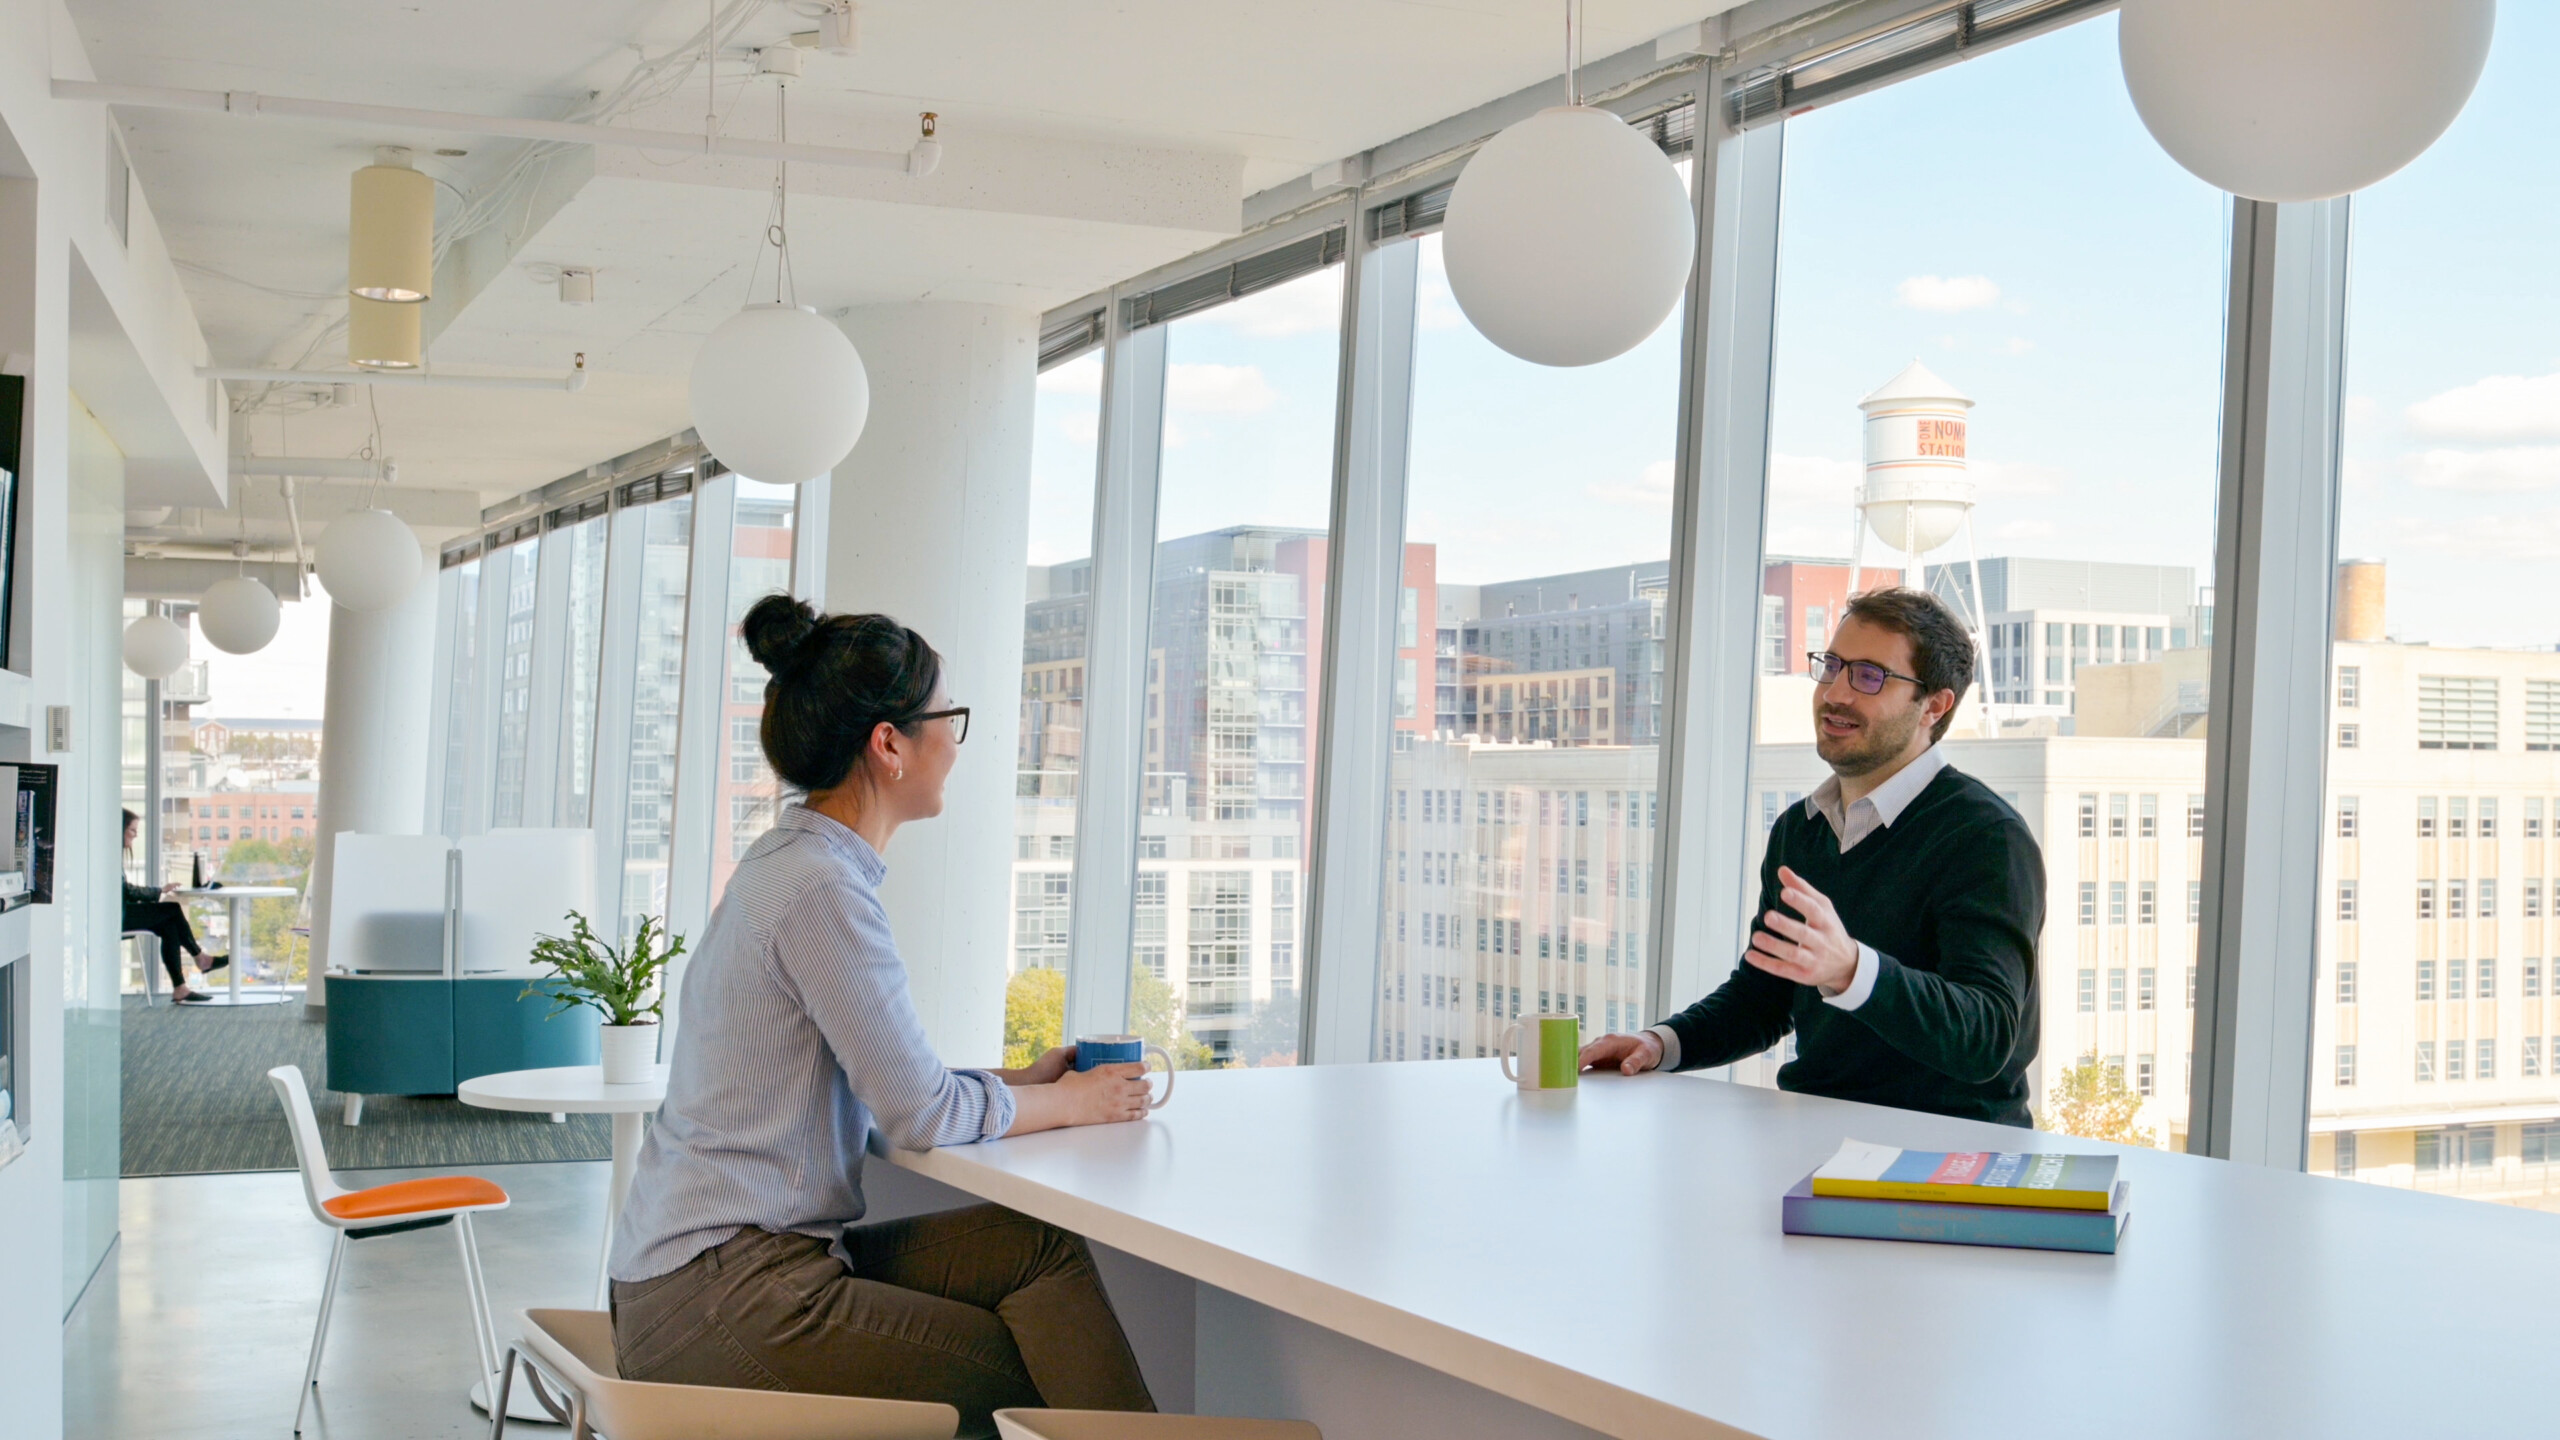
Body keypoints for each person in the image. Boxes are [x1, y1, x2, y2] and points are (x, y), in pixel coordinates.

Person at [608, 595, 1157, 1438]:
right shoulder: (822, 889)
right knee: (1043, 1371)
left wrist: (1020, 1083)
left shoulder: (795, 864)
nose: (955, 744)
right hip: (724, 1299)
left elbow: (879, 1077)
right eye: (949, 719)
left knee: (1039, 1252)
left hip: (708, 1273)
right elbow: (919, 1111)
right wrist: (1080, 1102)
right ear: (890, 743)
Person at [1580, 587, 2045, 1127]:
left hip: (1945, 1160)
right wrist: (1658, 1043)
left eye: (1870, 676)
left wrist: (1851, 969)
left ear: (1934, 706)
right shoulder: (1799, 830)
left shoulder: (1987, 838)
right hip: (1815, 1132)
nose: (1836, 694)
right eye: (1832, 666)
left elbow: (1985, 1037)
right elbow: (1765, 997)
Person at [120, 809, 226, 1004]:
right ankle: (200, 958)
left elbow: (125, 892)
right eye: (133, 830)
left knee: (169, 926)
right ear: (120, 829)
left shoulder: (112, 856)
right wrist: (159, 890)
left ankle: (180, 988)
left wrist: (156, 894)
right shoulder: (108, 858)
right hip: (118, 917)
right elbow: (127, 891)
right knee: (172, 909)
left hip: (121, 912)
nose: (136, 835)